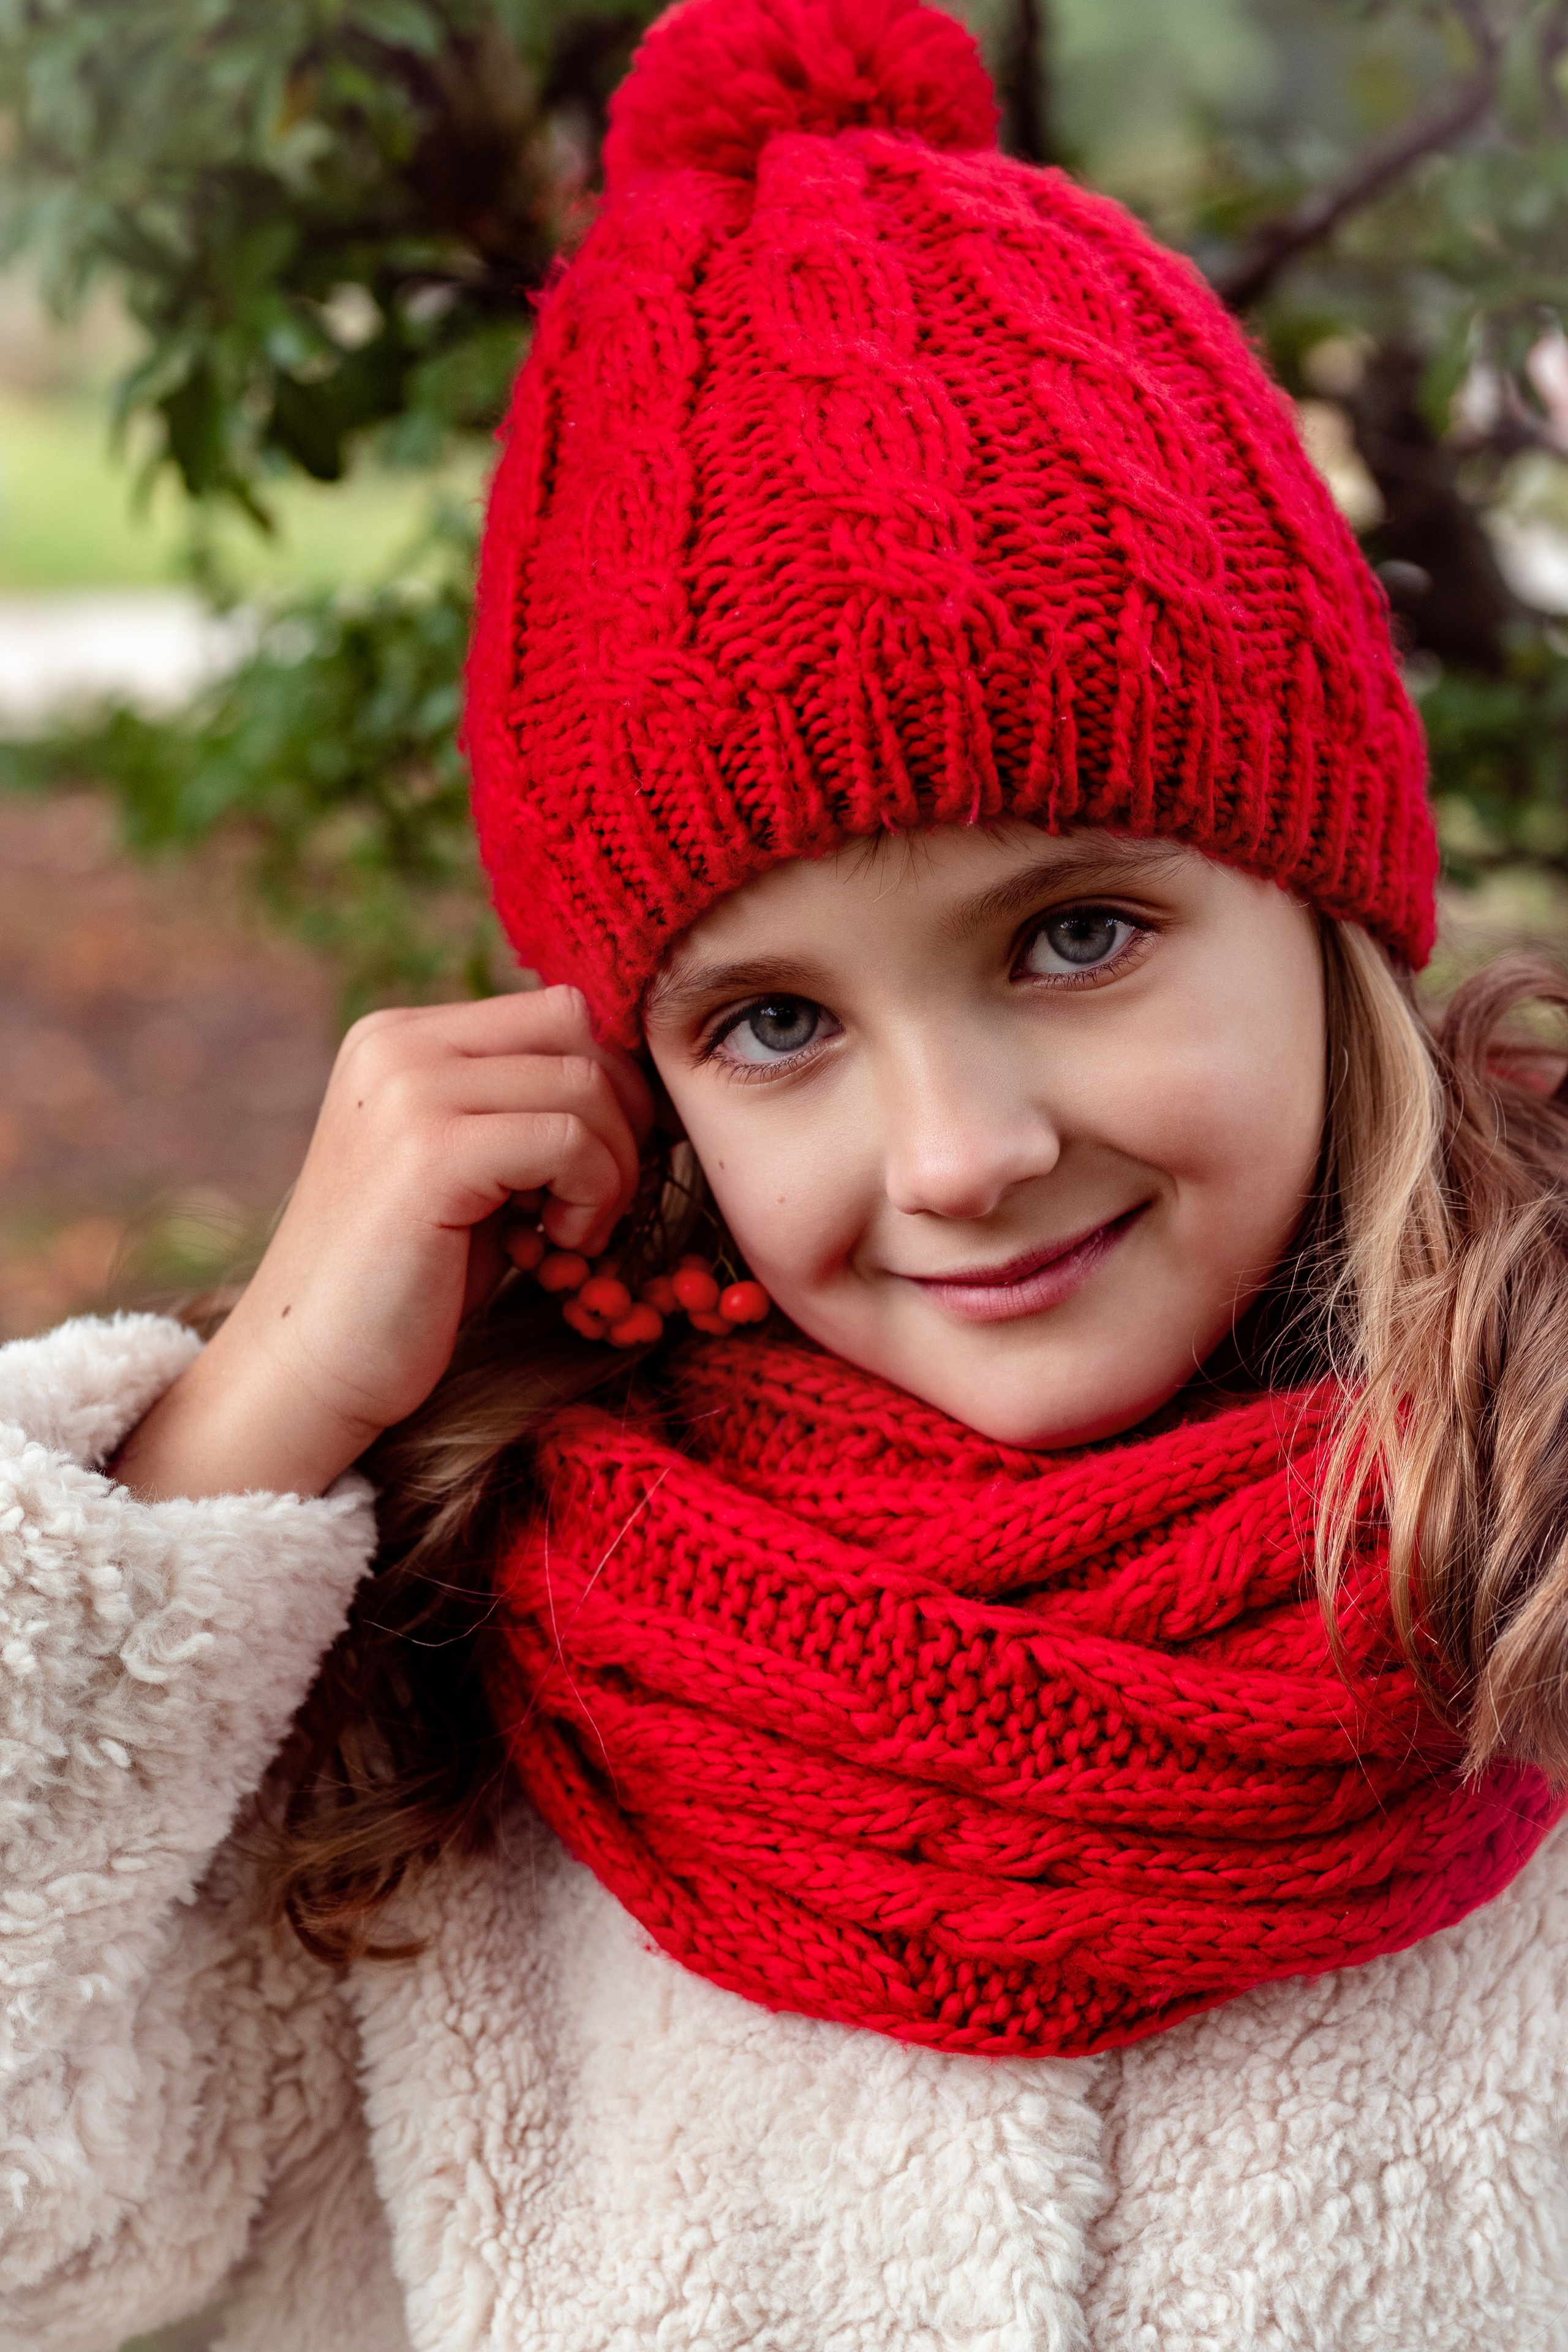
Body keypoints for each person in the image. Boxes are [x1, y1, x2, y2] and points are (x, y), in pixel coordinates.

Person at [7, 0, 1568, 2345]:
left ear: (1328, 901)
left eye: (1078, 933)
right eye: (775, 1023)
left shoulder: (1521, 1572)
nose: (960, 1153)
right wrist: (237, 1449)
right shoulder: (435, 1705)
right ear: (622, 1088)